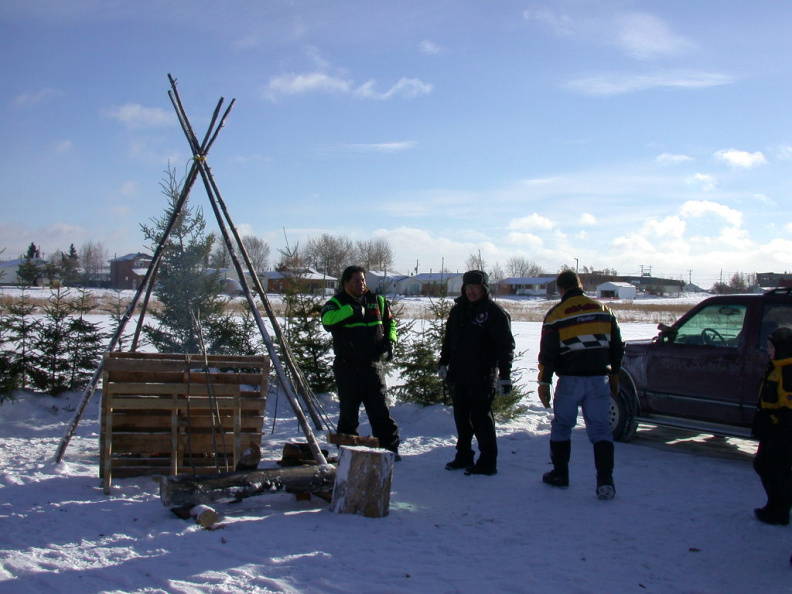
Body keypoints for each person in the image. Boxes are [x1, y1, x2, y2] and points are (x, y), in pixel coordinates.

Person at [537, 270, 624, 499]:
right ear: (580, 285)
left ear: (560, 289)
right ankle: (605, 480)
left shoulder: (556, 314)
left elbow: (548, 352)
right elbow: (617, 346)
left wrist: (544, 382)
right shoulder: (604, 310)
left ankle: (560, 474)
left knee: (562, 426)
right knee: (600, 429)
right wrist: (614, 373)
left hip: (570, 380)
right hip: (599, 379)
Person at [438, 270, 515, 476]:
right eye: (468, 288)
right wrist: (443, 362)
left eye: (476, 288)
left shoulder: (495, 313)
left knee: (481, 419)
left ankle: (488, 461)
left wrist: (505, 376)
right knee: (461, 418)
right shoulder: (458, 311)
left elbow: (506, 347)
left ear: (485, 289)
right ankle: (464, 455)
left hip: (482, 375)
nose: (471, 291)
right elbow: (449, 340)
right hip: (458, 373)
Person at [321, 265, 401, 460]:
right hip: (348, 366)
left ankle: (388, 449)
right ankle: (348, 452)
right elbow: (327, 321)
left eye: (363, 280)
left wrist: (391, 340)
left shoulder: (378, 301)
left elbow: (391, 324)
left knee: (380, 410)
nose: (361, 284)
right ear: (346, 283)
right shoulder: (337, 303)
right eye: (356, 280)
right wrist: (351, 311)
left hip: (372, 365)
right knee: (349, 413)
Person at [752, 326, 792, 525]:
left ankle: (780, 511)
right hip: (770, 430)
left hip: (781, 433)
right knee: (763, 466)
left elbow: (788, 407)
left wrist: (775, 421)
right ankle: (774, 504)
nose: (768, 350)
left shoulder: (787, 371)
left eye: (771, 347)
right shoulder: (775, 366)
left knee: (777, 470)